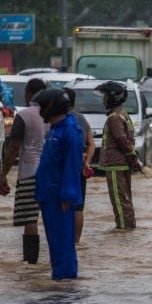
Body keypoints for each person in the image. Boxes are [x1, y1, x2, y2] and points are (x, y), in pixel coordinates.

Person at [33, 88, 83, 280]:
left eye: (42, 107)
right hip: (48, 195)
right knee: (55, 242)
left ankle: (65, 283)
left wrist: (67, 196)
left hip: (59, 198)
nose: (40, 111)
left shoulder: (70, 131)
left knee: (62, 243)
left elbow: (72, 166)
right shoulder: (56, 129)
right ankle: (59, 280)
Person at [0, 78, 47, 264]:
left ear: (28, 94)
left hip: (29, 173)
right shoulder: (53, 115)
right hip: (51, 173)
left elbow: (13, 148)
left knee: (30, 219)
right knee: (51, 217)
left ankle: (31, 263)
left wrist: (3, 177)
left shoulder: (24, 116)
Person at [95, 81, 140, 230]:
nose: (103, 100)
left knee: (120, 201)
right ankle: (128, 227)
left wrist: (132, 157)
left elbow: (121, 139)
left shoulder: (114, 117)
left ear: (112, 98)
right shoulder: (123, 114)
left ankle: (123, 230)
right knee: (125, 199)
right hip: (123, 163)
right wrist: (133, 158)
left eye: (105, 96)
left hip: (116, 165)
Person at [63, 87, 95, 244]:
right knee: (78, 207)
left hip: (63, 168)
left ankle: (64, 240)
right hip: (80, 167)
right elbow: (91, 144)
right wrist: (87, 162)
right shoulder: (82, 119)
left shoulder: (59, 119)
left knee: (62, 205)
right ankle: (76, 242)